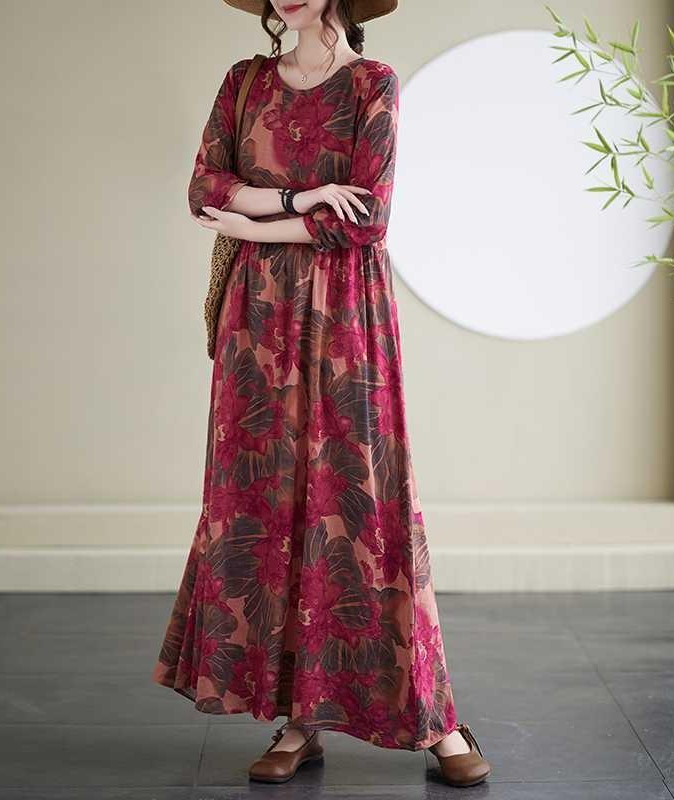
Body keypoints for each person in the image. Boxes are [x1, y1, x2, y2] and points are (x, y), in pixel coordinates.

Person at [153, 0, 491, 788]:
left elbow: (367, 219)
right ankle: (298, 722)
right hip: (257, 318)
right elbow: (204, 189)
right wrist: (306, 200)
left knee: (360, 500)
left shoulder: (374, 84)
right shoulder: (244, 82)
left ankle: (437, 718)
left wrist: (254, 222)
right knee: (270, 502)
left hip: (347, 317)